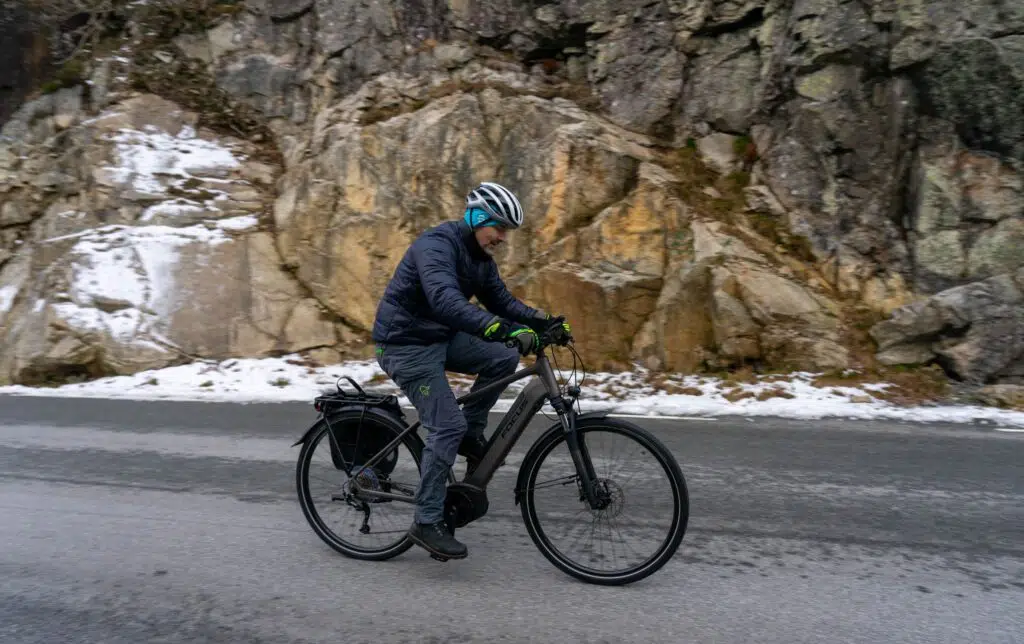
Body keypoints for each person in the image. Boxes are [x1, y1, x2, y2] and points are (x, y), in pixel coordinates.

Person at [371, 181, 570, 560]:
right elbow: (444, 299)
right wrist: (498, 327)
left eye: (507, 232)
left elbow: (502, 301)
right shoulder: (436, 246)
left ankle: (470, 434)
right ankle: (427, 521)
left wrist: (544, 322)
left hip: (439, 337)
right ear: (478, 217)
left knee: (499, 356)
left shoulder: (481, 261)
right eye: (499, 228)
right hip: (404, 343)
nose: (502, 238)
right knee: (446, 424)